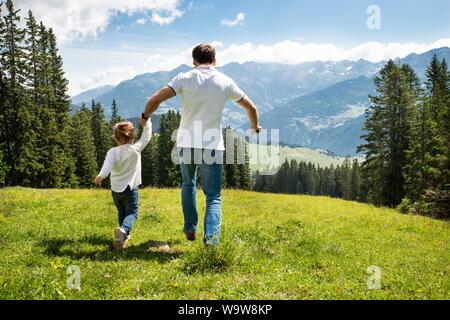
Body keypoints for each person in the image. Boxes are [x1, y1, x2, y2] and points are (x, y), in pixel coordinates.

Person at [140, 43, 261, 246]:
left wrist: (145, 117)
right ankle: (211, 242)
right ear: (215, 60)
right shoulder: (225, 81)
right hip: (212, 146)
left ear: (194, 60)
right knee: (213, 195)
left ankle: (190, 229)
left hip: (186, 143)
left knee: (188, 184)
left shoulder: (183, 78)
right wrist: (255, 127)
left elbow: (155, 99)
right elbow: (251, 106)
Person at [94, 120, 152, 249]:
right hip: (130, 189)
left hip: (115, 190)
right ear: (132, 136)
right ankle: (124, 230)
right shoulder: (136, 149)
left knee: (121, 211)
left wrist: (101, 176)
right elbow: (147, 136)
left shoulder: (112, 152)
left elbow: (107, 166)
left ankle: (122, 237)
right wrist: (147, 122)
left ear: (116, 138)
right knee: (132, 213)